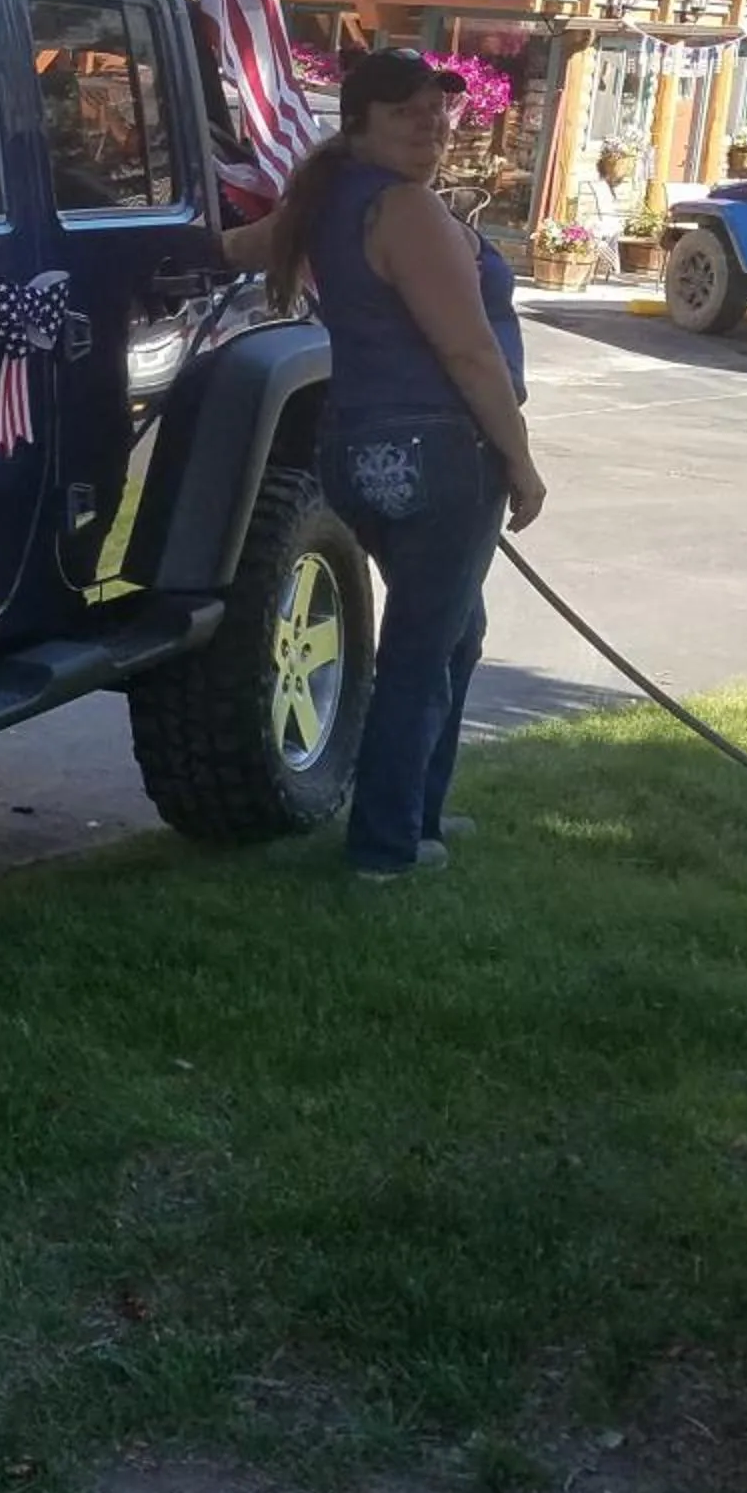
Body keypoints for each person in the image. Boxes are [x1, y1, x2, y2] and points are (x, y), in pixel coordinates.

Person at [260, 47, 548, 881]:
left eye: (437, 109)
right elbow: (467, 350)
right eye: (405, 112)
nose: (429, 123)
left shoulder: (322, 202)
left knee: (455, 632)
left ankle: (417, 809)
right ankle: (386, 848)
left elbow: (243, 245)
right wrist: (521, 463)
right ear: (359, 123)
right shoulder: (407, 210)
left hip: (355, 449)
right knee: (424, 646)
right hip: (439, 452)